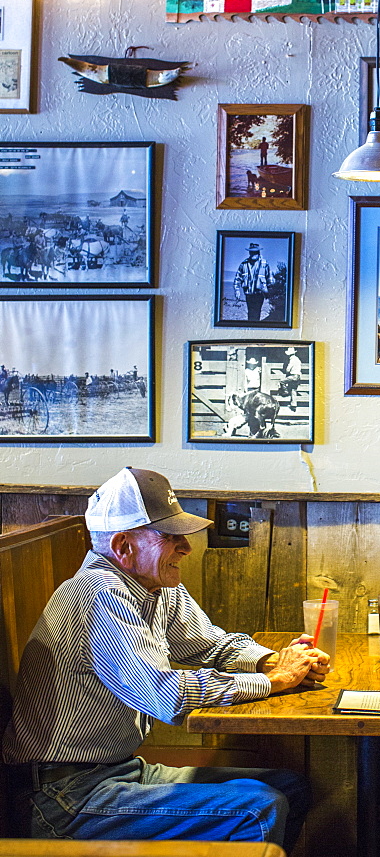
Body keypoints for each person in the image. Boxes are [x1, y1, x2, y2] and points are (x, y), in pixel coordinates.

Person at [2, 467, 329, 849]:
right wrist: (275, 682)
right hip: (63, 795)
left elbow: (211, 645)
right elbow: (166, 696)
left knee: (289, 788)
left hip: (118, 770)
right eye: (171, 537)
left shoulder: (156, 583)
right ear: (124, 546)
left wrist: (273, 662)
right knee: (259, 809)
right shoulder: (100, 592)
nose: (187, 548)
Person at [233, 242, 274, 322]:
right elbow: (237, 278)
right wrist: (237, 290)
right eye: (251, 252)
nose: (253, 253)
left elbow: (269, 278)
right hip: (248, 293)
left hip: (260, 293)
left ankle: (254, 326)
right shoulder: (244, 264)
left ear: (258, 252)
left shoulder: (264, 263)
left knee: (256, 311)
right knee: (251, 312)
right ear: (249, 252)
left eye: (255, 252)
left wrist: (270, 292)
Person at [278, 346, 302, 411]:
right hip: (298, 376)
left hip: (293, 375)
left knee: (282, 381)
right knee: (293, 390)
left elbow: (288, 369)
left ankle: (285, 392)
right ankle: (294, 405)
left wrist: (286, 373)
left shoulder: (292, 360)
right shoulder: (298, 359)